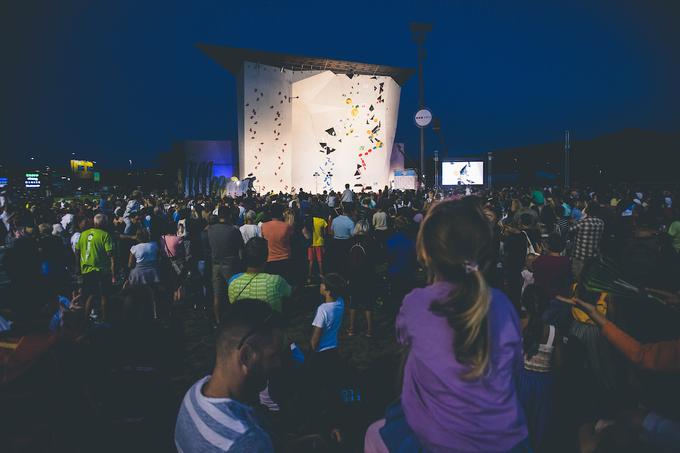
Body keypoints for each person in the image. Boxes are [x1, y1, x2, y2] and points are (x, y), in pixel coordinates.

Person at [365, 199, 528, 453]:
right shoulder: (503, 305)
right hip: (504, 438)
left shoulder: (417, 303)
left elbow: (406, 345)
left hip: (433, 437)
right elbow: (515, 369)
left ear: (425, 253)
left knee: (374, 433)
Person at [175, 300, 284, 452]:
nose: (279, 363)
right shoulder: (246, 440)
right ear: (246, 356)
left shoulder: (194, 393)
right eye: (274, 355)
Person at [517, 285, 562, 450]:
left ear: (524, 303)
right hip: (544, 386)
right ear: (545, 305)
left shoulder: (517, 325)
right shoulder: (553, 333)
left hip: (520, 382)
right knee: (538, 430)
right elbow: (559, 364)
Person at [228, 237, 291, 313]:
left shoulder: (233, 281)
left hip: (242, 322)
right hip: (270, 323)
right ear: (266, 257)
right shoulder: (276, 281)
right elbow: (289, 294)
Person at [207, 207, 244, 324]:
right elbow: (241, 247)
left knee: (217, 295)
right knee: (234, 293)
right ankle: (235, 319)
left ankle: (218, 321)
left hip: (216, 264)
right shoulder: (234, 230)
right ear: (229, 216)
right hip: (231, 264)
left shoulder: (210, 229)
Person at [75, 213, 116, 321]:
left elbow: (77, 251)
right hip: (101, 270)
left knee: (91, 295)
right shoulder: (105, 235)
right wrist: (113, 272)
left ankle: (85, 319)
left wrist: (78, 267)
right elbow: (111, 255)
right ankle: (105, 319)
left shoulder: (83, 234)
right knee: (104, 295)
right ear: (105, 223)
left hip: (86, 269)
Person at [346, 220, 376, 338]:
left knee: (354, 302)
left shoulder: (351, 241)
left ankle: (352, 328)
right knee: (368, 303)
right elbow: (375, 259)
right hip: (367, 274)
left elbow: (347, 259)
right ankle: (369, 329)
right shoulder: (371, 242)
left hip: (354, 275)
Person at [570, 202, 605, 278]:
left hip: (579, 256)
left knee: (576, 278)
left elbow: (570, 230)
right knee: (587, 279)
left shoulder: (583, 222)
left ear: (587, 210)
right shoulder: (601, 223)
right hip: (592, 257)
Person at [260, 204, 294, 283]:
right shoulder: (287, 226)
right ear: (281, 213)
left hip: (269, 259)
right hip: (285, 258)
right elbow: (291, 239)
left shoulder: (263, 226)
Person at [532, 232, 571, 299]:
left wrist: (538, 254)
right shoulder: (566, 261)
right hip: (560, 299)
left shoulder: (540, 260)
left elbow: (533, 270)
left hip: (542, 297)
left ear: (548, 245)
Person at [306, 208, 328, 281]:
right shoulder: (322, 221)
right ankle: (322, 275)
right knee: (320, 260)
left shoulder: (309, 220)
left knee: (311, 260)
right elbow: (324, 233)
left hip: (310, 243)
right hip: (319, 243)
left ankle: (309, 276)